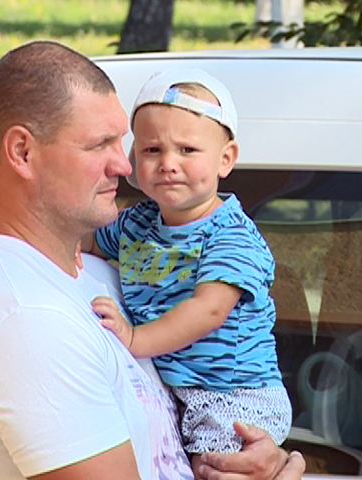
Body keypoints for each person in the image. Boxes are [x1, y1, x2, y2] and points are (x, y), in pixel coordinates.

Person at [0, 40, 305, 480]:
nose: (124, 166)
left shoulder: (99, 270)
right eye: (101, 145)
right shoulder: (27, 319)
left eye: (121, 143)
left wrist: (264, 461)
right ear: (23, 152)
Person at [83, 69, 292, 468]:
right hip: (181, 392)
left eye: (187, 150)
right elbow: (86, 241)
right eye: (152, 150)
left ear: (225, 159)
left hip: (233, 396)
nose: (168, 164)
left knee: (213, 470)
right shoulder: (136, 224)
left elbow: (208, 309)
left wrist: (135, 339)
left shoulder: (231, 235)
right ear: (133, 158)